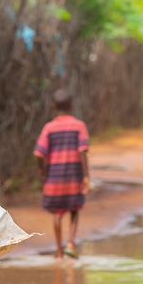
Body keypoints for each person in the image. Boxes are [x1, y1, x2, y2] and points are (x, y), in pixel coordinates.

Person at [33, 88, 90, 259]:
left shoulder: (49, 128)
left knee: (57, 214)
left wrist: (43, 172)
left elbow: (38, 153)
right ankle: (71, 243)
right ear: (71, 105)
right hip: (74, 176)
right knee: (74, 210)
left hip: (54, 178)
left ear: (53, 106)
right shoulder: (79, 126)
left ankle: (58, 251)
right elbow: (83, 151)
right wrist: (86, 175)